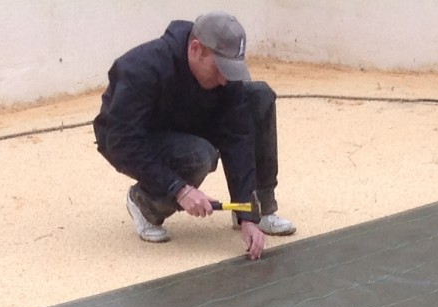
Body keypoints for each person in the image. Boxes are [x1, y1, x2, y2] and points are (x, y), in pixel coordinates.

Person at [93, 13, 296, 262]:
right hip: (133, 136)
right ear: (196, 49)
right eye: (221, 68)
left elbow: (238, 137)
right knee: (199, 156)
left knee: (258, 98)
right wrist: (178, 189)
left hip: (191, 119)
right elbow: (121, 140)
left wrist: (248, 214)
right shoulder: (141, 68)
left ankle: (261, 207)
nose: (225, 79)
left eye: (232, 70)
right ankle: (146, 204)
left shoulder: (225, 78)